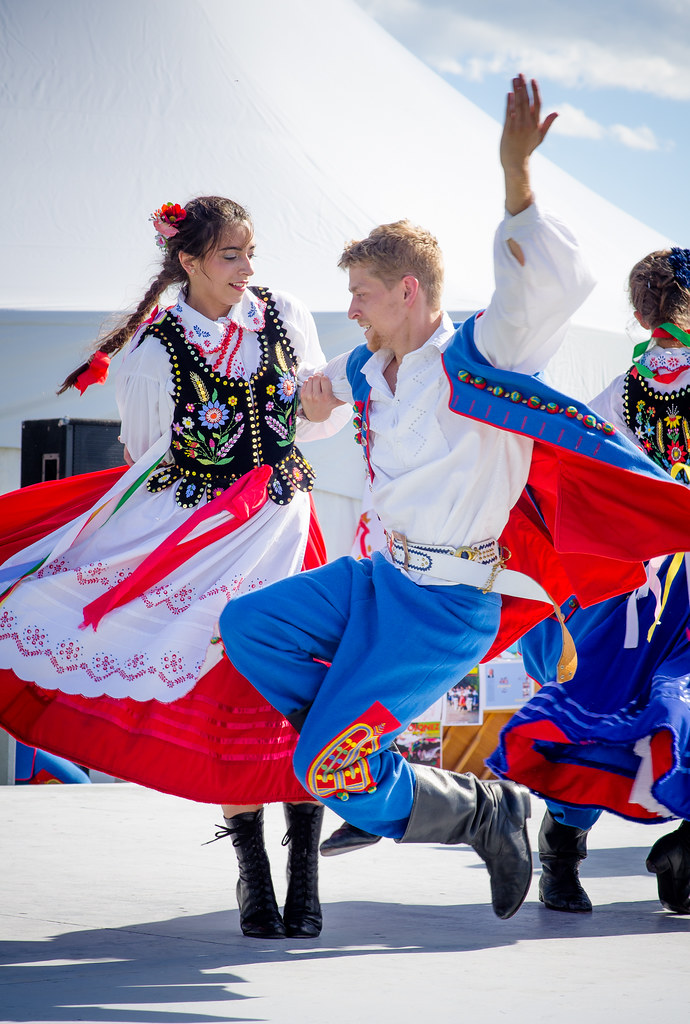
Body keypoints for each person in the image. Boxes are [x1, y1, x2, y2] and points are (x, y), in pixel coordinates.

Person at [215, 74, 609, 922]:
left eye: (361, 294)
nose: (350, 308)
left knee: (330, 768)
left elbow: (545, 287)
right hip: (375, 581)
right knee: (247, 627)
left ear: (408, 293)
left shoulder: (485, 353)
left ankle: (482, 810)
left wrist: (517, 178)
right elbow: (310, 403)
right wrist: (308, 405)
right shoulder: (366, 367)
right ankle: (368, 757)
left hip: (444, 602)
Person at [0, 195, 350, 939]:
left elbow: (313, 424)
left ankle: (307, 877)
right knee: (231, 701)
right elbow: (151, 461)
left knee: (304, 701)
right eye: (231, 256)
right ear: (188, 261)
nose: (248, 270)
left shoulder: (284, 313)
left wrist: (316, 407)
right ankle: (255, 878)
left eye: (252, 254)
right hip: (207, 549)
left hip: (288, 531)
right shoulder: (153, 350)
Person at [488, 245, 690, 916]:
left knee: (603, 709)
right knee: (648, 707)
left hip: (635, 581)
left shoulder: (624, 388)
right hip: (660, 585)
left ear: (640, 315)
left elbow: (585, 464)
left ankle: (566, 856)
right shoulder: (631, 385)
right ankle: (667, 852)